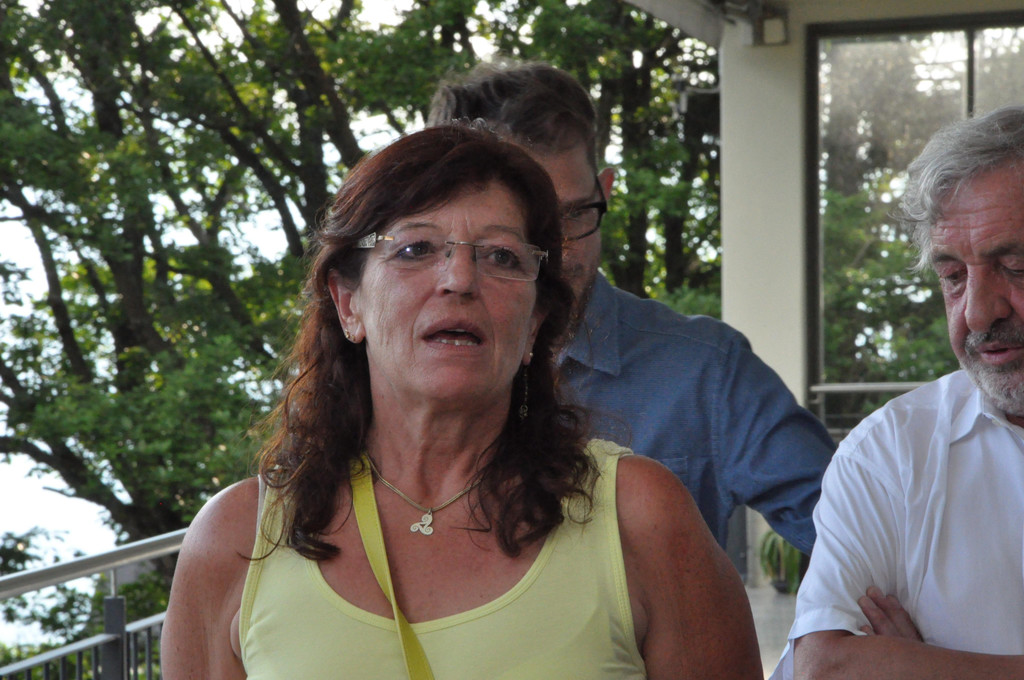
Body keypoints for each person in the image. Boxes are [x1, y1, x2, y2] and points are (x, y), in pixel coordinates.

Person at [161, 123, 762, 679]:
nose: (459, 279)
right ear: (348, 304)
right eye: (416, 249)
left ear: (535, 325)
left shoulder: (640, 517)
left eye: (501, 256)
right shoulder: (236, 540)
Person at [427, 60, 835, 553]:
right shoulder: (395, 373)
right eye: (519, 228)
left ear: (605, 191)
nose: (557, 251)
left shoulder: (706, 371)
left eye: (574, 214)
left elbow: (866, 541)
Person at [770, 104, 1024, 680]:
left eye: (1015, 266)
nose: (977, 313)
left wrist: (927, 667)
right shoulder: (891, 453)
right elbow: (825, 667)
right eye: (953, 277)